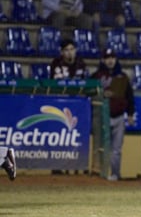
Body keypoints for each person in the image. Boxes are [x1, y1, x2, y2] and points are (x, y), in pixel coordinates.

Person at [91, 48, 135, 181]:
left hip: (119, 116)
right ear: (103, 60)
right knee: (101, 147)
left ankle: (115, 174)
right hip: (101, 118)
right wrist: (101, 94)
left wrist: (130, 114)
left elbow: (129, 96)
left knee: (116, 149)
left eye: (112, 58)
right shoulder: (96, 76)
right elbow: (90, 94)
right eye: (107, 58)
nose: (110, 60)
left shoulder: (123, 77)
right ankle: (100, 173)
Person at [50, 38, 88, 175]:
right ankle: (57, 167)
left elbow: (86, 85)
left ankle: (78, 167)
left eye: (72, 49)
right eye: (66, 50)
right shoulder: (56, 63)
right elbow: (53, 84)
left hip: (78, 107)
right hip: (60, 106)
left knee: (77, 137)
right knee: (59, 136)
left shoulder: (81, 64)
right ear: (61, 52)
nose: (69, 53)